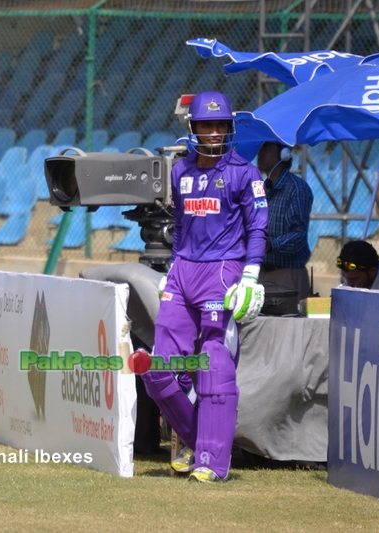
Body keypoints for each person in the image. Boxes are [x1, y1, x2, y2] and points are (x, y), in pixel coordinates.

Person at [142, 91, 268, 482]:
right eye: (205, 125)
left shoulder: (245, 173)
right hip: (183, 272)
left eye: (219, 125)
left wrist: (250, 274)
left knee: (214, 364)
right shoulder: (180, 173)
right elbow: (180, 224)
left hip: (222, 271)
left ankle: (212, 463)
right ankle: (199, 442)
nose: (213, 133)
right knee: (160, 369)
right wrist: (175, 263)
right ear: (192, 128)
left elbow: (258, 229)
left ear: (229, 127)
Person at [255, 141, 314, 302]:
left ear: (284, 154)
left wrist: (271, 245)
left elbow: (298, 235)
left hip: (287, 274)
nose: (260, 153)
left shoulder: (297, 188)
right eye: (260, 148)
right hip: (260, 273)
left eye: (266, 148)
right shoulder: (261, 188)